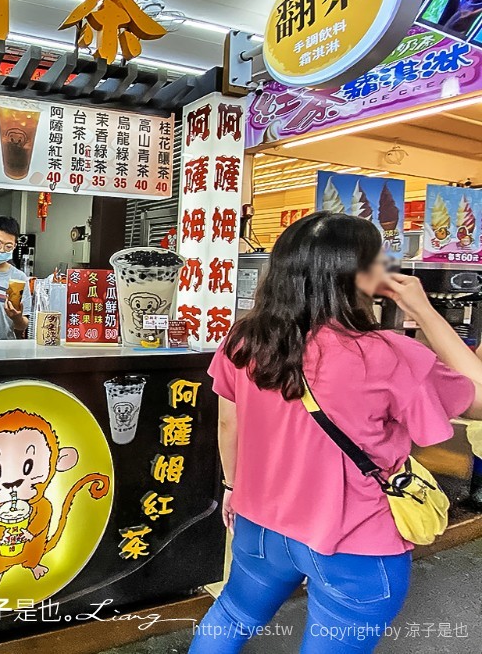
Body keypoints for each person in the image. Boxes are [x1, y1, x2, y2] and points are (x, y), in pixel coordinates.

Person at [190, 212, 482, 654]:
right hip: (356, 540)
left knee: (232, 615)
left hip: (260, 523)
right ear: (360, 274)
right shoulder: (391, 355)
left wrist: (232, 487)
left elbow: (228, 422)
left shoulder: (245, 340)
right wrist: (423, 310)